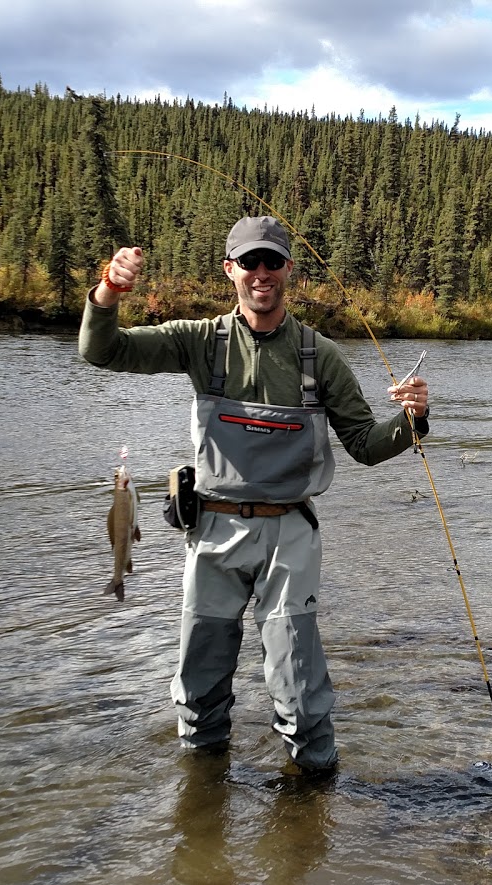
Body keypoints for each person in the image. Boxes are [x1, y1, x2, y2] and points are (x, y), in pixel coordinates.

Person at [79, 216, 429, 773]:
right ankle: (201, 800)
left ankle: (313, 796)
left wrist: (413, 418)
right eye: (249, 262)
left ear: (289, 269)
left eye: (271, 262)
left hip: (290, 534)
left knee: (297, 688)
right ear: (230, 270)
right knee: (199, 686)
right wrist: (110, 290)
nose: (260, 273)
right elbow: (103, 352)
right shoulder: (198, 340)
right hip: (212, 533)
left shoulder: (321, 355)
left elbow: (365, 443)